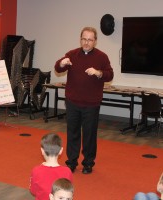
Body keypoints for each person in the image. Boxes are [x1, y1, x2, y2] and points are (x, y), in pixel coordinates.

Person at [54, 26, 114, 174]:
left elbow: (109, 75)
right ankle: (71, 162)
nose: (86, 43)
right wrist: (61, 63)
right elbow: (58, 67)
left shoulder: (102, 57)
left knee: (89, 135)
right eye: (84, 39)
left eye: (90, 40)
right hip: (73, 102)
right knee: (72, 132)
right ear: (80, 39)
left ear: (95, 41)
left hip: (91, 104)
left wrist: (98, 73)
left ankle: (88, 163)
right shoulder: (72, 54)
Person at [30, 133, 73, 200]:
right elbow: (69, 191)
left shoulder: (36, 170)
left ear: (42, 151)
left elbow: (33, 191)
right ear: (61, 151)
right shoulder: (67, 171)